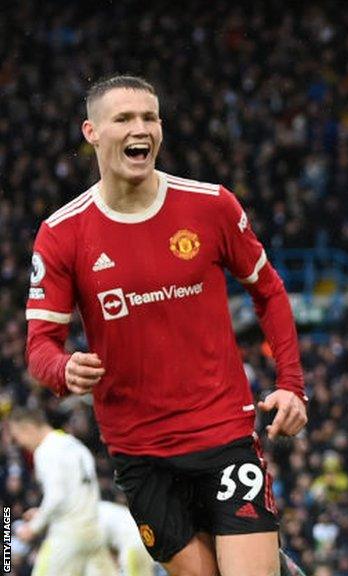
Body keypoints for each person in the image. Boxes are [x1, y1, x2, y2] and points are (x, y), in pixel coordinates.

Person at [24, 75, 308, 576]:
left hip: (223, 434)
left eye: (150, 117)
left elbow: (268, 290)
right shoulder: (63, 233)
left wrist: (292, 386)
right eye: (125, 118)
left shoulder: (210, 205)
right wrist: (63, 370)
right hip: (140, 453)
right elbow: (40, 347)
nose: (142, 128)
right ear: (91, 132)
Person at [8, 408, 118, 576]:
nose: (20, 444)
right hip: (93, 532)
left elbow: (56, 496)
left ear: (28, 428)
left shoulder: (45, 451)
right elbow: (75, 493)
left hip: (68, 535)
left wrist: (33, 528)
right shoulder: (74, 444)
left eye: (17, 438)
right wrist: (43, 512)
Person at [99, 500, 157, 576]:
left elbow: (103, 553)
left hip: (133, 548)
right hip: (146, 541)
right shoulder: (104, 508)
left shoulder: (94, 515)